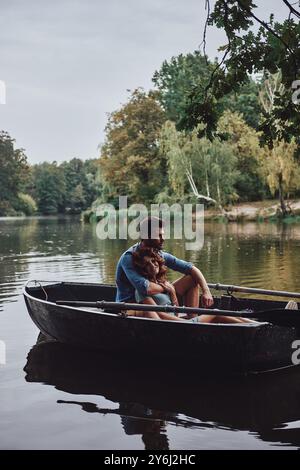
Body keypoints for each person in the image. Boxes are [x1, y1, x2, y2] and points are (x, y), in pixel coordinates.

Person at [115, 216, 255, 323]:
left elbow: (191, 268)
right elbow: (145, 288)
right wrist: (168, 289)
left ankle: (191, 317)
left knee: (191, 278)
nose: (163, 238)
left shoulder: (157, 253)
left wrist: (206, 291)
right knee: (216, 314)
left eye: (163, 234)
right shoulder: (130, 258)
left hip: (158, 300)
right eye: (159, 235)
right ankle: (192, 323)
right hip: (133, 306)